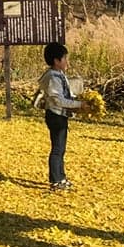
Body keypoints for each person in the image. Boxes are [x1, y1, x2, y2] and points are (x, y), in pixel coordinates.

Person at [37, 42, 82, 192]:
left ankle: (61, 177)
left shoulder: (58, 75)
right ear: (56, 61)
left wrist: (79, 101)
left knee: (61, 148)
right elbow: (58, 99)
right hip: (55, 115)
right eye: (64, 58)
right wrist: (79, 105)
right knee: (57, 148)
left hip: (60, 114)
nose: (66, 62)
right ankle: (56, 180)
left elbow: (66, 95)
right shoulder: (52, 77)